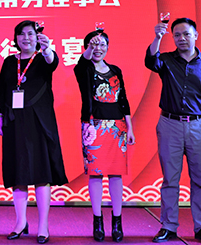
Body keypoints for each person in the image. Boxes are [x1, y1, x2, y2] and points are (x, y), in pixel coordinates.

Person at [146, 18, 201, 245]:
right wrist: (158, 37)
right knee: (170, 179)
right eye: (177, 35)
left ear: (196, 35)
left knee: (200, 179)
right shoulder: (166, 60)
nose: (181, 38)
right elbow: (150, 60)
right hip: (169, 124)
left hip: (200, 126)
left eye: (186, 34)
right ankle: (168, 226)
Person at [0, 20, 67, 244]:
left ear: (37, 38)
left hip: (39, 123)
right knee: (18, 174)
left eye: (30, 34)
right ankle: (20, 222)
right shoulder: (10, 62)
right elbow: (1, 91)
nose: (26, 38)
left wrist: (47, 49)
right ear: (15, 38)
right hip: (14, 123)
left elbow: (53, 62)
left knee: (41, 174)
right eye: (21, 34)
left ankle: (43, 225)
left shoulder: (44, 58)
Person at [75, 30, 135, 242]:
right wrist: (89, 48)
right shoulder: (85, 69)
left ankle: (117, 222)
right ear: (87, 47)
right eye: (94, 45)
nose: (98, 48)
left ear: (108, 47)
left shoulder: (116, 70)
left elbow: (123, 100)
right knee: (95, 174)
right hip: (94, 126)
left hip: (117, 127)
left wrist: (130, 128)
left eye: (102, 44)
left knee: (116, 174)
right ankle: (98, 220)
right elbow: (81, 63)